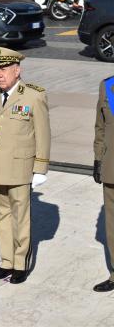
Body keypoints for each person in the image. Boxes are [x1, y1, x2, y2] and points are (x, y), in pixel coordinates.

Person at [0, 47, 51, 284]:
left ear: (17, 70)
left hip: (21, 169)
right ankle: (7, 262)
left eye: (3, 69)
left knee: (21, 218)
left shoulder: (33, 96)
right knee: (0, 215)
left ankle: (20, 264)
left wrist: (40, 168)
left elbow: (43, 134)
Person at [93, 76, 114, 292]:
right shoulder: (107, 86)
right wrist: (98, 158)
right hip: (112, 166)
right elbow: (100, 126)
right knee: (112, 226)